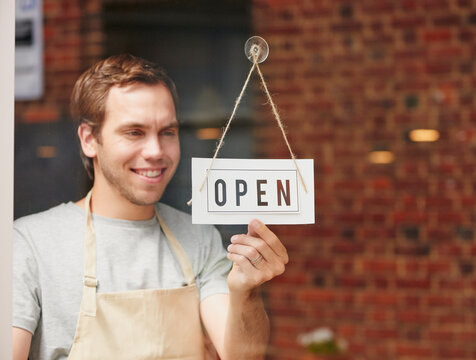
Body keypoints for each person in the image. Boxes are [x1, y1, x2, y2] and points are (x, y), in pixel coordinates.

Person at [12, 54, 289, 359]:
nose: (156, 151)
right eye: (135, 132)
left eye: (167, 132)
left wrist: (246, 291)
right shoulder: (28, 244)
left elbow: (242, 357)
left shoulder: (199, 239)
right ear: (89, 139)